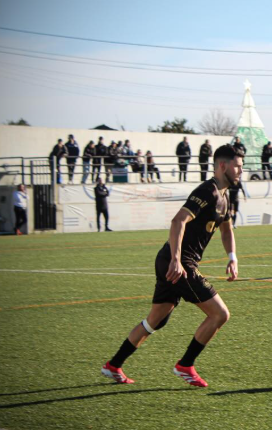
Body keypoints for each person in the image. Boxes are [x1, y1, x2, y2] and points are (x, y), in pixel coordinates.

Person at [101, 144, 243, 387]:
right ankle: (185, 365)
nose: (241, 171)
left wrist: (232, 256)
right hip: (179, 262)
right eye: (238, 166)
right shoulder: (207, 191)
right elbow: (178, 221)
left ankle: (113, 365)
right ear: (223, 166)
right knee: (220, 314)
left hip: (169, 259)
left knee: (155, 320)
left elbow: (226, 228)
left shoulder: (225, 195)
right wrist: (177, 260)